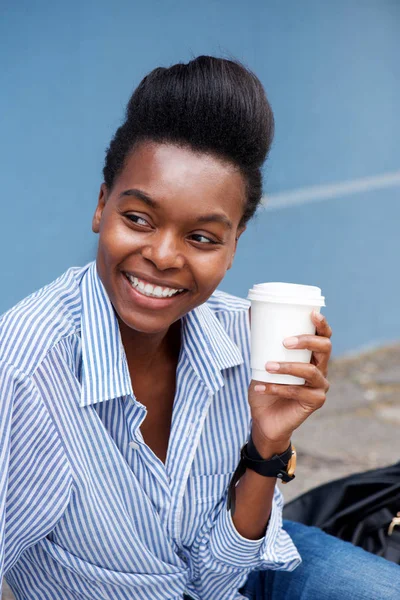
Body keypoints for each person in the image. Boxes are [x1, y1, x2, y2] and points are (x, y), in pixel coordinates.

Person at [0, 56, 398, 600]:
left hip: (249, 568)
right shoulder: (27, 366)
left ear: (234, 247)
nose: (163, 256)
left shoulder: (241, 335)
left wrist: (269, 442)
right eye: (138, 219)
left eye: (202, 238)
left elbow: (220, 574)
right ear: (101, 206)